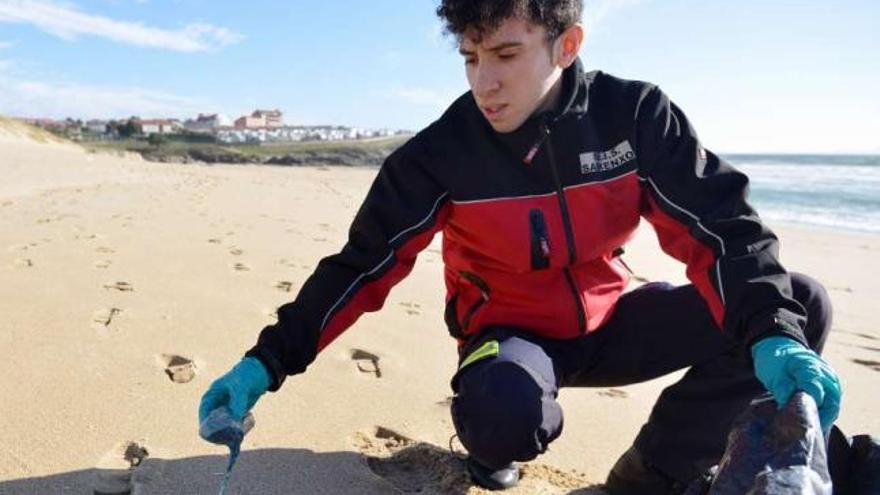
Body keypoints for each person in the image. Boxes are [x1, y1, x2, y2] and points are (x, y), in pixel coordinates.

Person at [199, 1, 843, 492]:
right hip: (509, 337)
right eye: (471, 59)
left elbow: (722, 226)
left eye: (505, 55)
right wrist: (265, 363)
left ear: (567, 44)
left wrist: (775, 333)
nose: (485, 83)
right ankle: (491, 443)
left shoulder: (636, 117)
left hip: (613, 317)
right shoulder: (439, 155)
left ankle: (652, 474)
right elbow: (360, 266)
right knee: (504, 411)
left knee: (799, 305)